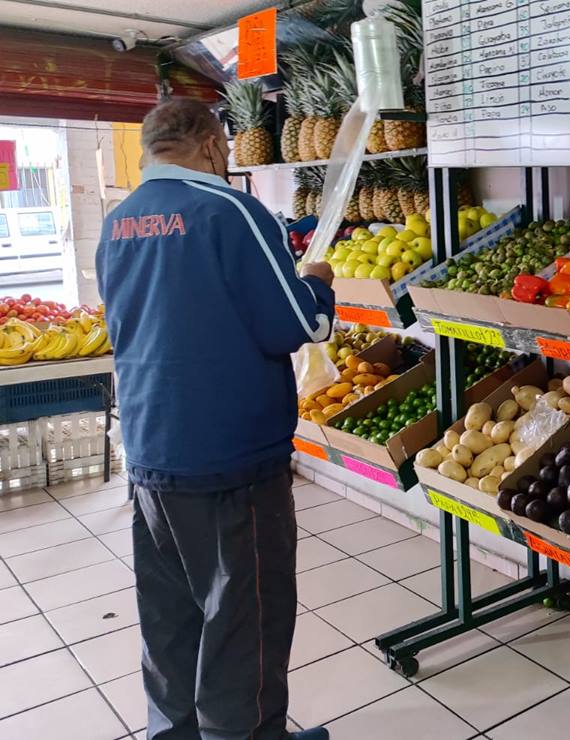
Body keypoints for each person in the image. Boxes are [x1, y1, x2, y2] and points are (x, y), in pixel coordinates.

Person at [97, 98, 335, 740]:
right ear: (209, 145)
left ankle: (171, 733)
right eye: (226, 148)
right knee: (244, 621)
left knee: (171, 615)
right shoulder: (230, 210)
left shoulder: (118, 221)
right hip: (230, 456)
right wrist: (317, 280)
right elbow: (299, 323)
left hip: (149, 452)